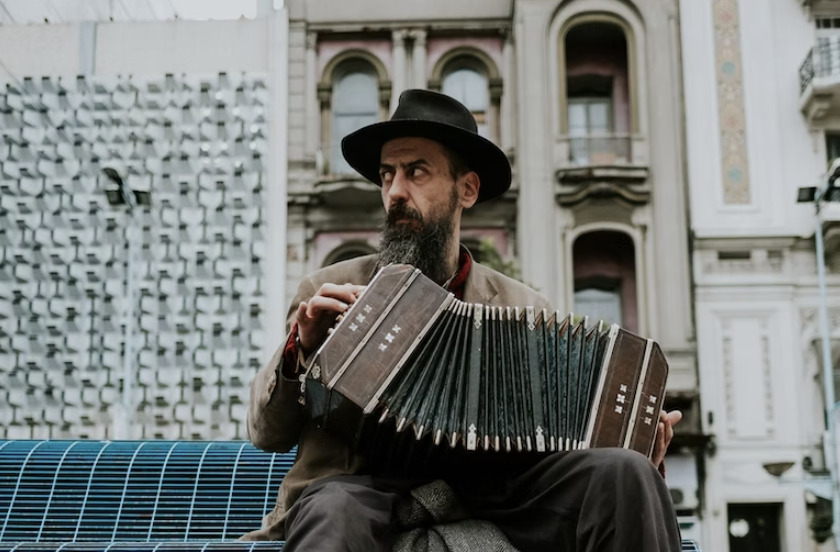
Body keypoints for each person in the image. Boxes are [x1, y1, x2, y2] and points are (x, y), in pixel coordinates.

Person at [243, 89, 683, 551]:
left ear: (466, 189)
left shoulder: (524, 308)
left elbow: (562, 441)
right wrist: (302, 350)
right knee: (331, 509)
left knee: (626, 473)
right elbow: (267, 432)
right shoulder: (327, 290)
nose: (395, 192)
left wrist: (635, 445)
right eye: (386, 175)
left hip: (496, 496)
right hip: (363, 490)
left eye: (417, 172)